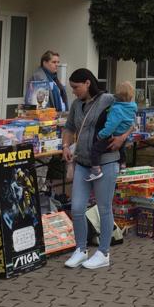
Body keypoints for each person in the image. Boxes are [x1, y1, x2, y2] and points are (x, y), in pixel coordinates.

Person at [61, 68, 130, 270]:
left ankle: (103, 252)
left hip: (106, 161)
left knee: (104, 207)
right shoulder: (76, 105)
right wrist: (65, 146)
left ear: (87, 83)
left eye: (76, 87)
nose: (73, 91)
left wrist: (122, 138)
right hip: (83, 162)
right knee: (77, 208)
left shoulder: (108, 99)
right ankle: (80, 249)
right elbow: (69, 127)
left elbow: (129, 115)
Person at [86, 81, 136, 181]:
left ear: (118, 95)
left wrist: (101, 135)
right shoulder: (132, 106)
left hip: (113, 134)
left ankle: (96, 170)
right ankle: (123, 164)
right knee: (122, 149)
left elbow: (111, 126)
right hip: (124, 133)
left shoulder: (117, 109)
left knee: (95, 149)